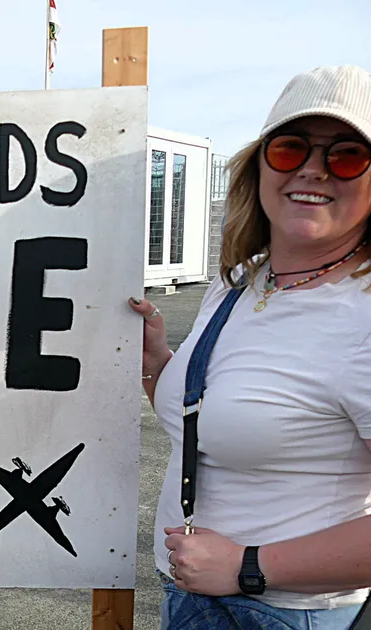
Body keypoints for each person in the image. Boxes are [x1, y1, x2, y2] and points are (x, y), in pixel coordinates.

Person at [129, 64, 371, 629]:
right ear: (259, 166)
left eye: (347, 156)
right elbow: (218, 422)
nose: (313, 170)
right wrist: (158, 366)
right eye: (291, 149)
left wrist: (248, 566)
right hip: (193, 600)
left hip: (282, 612)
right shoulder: (242, 281)